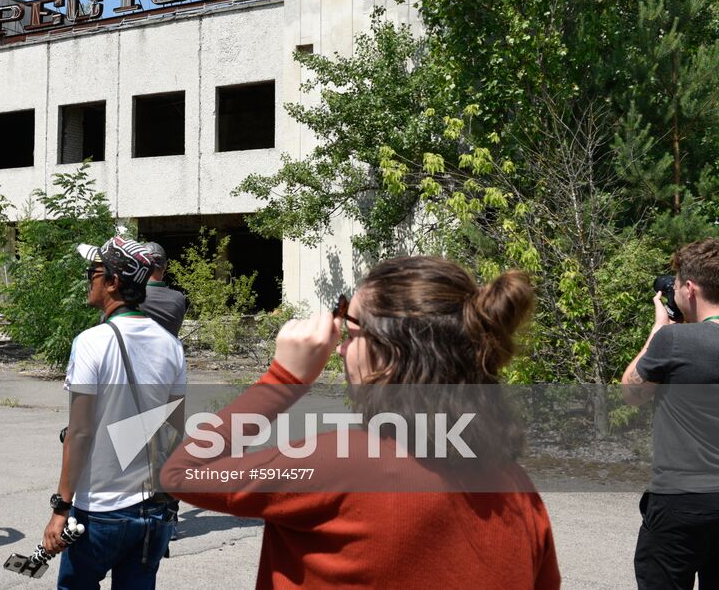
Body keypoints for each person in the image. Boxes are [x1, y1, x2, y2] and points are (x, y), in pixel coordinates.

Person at [161, 255, 560, 589]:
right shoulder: (517, 488)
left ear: (390, 354)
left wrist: (283, 379)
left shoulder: (339, 462)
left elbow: (182, 472)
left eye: (350, 333)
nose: (339, 350)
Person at [45, 236, 186, 590]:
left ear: (112, 282)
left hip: (101, 512)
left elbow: (80, 433)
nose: (87, 279)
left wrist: (61, 508)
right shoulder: (171, 345)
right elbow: (175, 430)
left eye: (92, 271)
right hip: (154, 512)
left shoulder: (92, 342)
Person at [623, 238, 719, 589]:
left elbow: (632, 392)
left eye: (676, 284)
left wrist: (658, 330)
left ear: (690, 288)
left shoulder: (674, 342)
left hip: (679, 502)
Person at [139, 242, 188, 338]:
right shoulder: (178, 299)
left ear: (141, 265)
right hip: (169, 352)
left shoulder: (130, 297)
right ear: (165, 266)